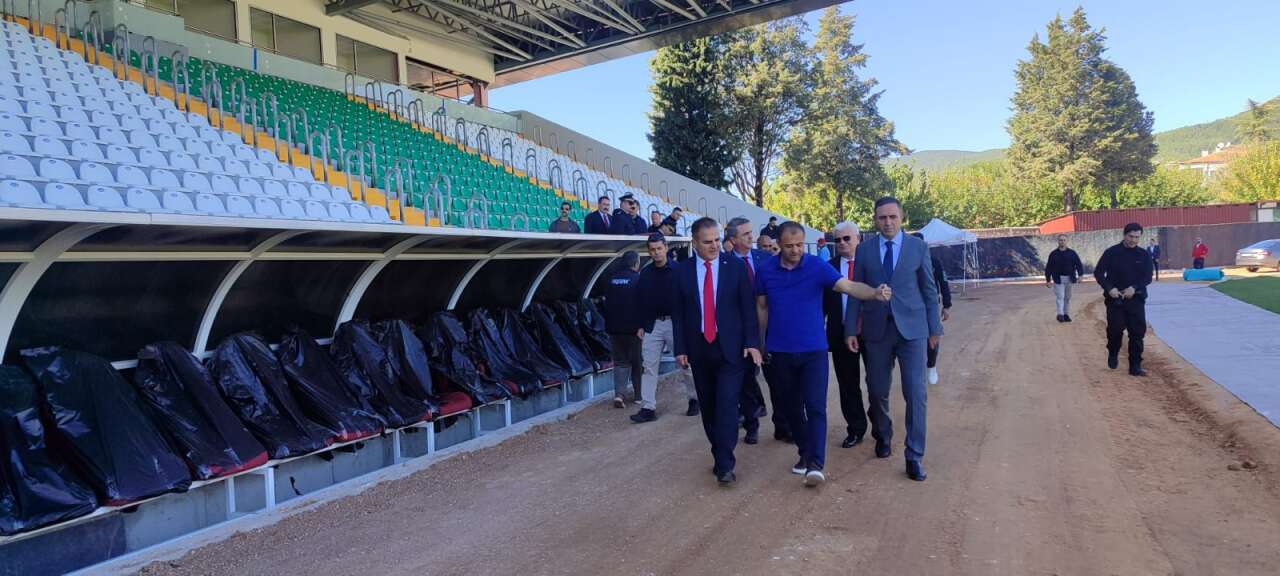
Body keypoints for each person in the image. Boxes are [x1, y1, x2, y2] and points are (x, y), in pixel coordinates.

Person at [757, 222, 890, 487]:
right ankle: (805, 452)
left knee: (816, 406)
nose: (795, 250)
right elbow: (761, 307)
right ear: (779, 245)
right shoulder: (765, 271)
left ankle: (816, 463)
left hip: (814, 351)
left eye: (799, 245)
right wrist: (761, 343)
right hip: (780, 351)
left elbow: (849, 287)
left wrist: (874, 293)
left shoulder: (817, 266)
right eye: (789, 246)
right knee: (791, 408)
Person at [844, 196, 943, 482]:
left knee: (916, 393)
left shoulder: (917, 247)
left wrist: (934, 328)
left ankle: (914, 455)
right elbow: (856, 290)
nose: (887, 222)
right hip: (876, 331)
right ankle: (883, 434)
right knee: (877, 390)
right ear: (875, 219)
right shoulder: (863, 251)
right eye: (881, 218)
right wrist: (852, 328)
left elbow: (928, 289)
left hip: (912, 331)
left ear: (902, 218)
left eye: (892, 217)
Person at [672, 217, 761, 485]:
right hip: (699, 348)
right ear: (695, 242)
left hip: (730, 349)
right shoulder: (682, 271)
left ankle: (725, 463)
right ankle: (719, 451)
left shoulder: (734, 267)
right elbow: (679, 313)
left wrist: (752, 343)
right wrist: (680, 348)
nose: (713, 246)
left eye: (717, 241)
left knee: (726, 405)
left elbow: (748, 309)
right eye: (707, 241)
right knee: (708, 406)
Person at [634, 233, 699, 422]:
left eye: (659, 249)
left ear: (666, 248)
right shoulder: (645, 273)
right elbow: (641, 301)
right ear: (649, 251)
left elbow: (689, 299)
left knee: (685, 364)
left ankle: (694, 398)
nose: (656, 253)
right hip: (652, 325)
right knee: (649, 366)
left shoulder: (679, 270)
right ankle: (648, 407)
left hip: (676, 323)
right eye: (652, 250)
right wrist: (640, 325)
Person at [725, 216, 772, 445]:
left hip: (770, 327)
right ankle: (752, 425)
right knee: (747, 379)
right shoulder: (723, 264)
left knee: (778, 378)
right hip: (741, 332)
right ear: (733, 239)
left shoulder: (765, 258)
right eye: (745, 234)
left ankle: (784, 423)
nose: (751, 237)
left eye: (751, 232)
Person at [824, 222, 870, 449]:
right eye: (838, 240)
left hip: (872, 334)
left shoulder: (871, 264)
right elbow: (821, 305)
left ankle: (881, 429)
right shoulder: (828, 268)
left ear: (858, 239)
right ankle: (856, 428)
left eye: (846, 239)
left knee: (876, 384)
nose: (842, 243)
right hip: (841, 334)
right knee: (848, 384)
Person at [1094, 223, 1154, 377]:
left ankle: (1135, 366)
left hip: (1136, 299)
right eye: (1131, 236)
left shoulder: (1143, 255)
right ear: (1124, 235)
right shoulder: (1111, 253)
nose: (1134, 240)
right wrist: (1109, 288)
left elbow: (1147, 277)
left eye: (1137, 237)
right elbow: (1099, 273)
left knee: (1137, 333)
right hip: (1115, 300)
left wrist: (1134, 288)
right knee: (1115, 330)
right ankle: (1113, 352)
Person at [604, 252, 644, 407]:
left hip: (614, 329)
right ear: (636, 264)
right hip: (634, 330)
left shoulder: (611, 280)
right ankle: (639, 396)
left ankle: (619, 395)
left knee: (620, 362)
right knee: (637, 362)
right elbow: (642, 304)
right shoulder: (638, 279)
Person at [912, 232, 952, 385]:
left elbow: (943, 283)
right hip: (913, 306)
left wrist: (946, 305)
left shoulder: (934, 261)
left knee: (933, 334)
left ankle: (932, 366)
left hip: (931, 305)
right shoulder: (906, 262)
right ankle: (916, 372)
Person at [1044, 234, 1084, 323]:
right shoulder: (1053, 254)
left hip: (1069, 278)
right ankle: (1060, 314)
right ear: (1058, 241)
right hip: (1058, 278)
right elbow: (1049, 267)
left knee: (1067, 297)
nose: (1062, 241)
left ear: (1067, 241)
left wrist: (1080, 275)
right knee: (1060, 296)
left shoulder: (1072, 253)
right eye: (1060, 240)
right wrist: (1048, 280)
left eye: (1064, 240)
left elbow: (1078, 264)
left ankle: (1066, 314)